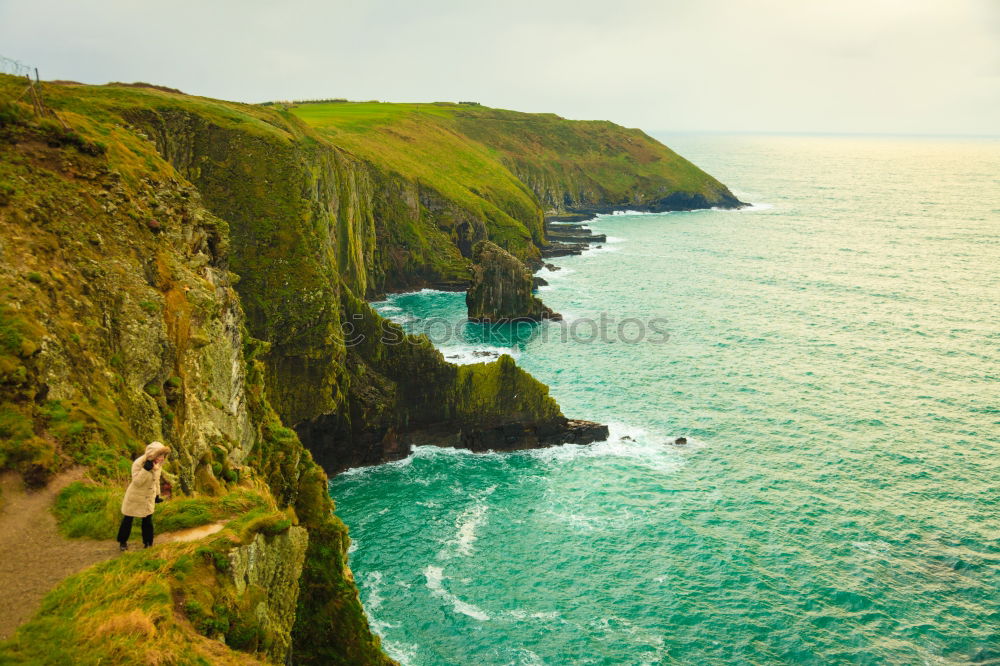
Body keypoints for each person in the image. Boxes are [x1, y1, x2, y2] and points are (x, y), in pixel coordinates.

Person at [117, 441, 170, 551]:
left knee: (147, 520)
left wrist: (157, 495)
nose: (162, 458)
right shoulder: (138, 463)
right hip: (135, 496)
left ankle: (148, 543)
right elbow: (137, 482)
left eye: (163, 455)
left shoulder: (158, 464)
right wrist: (146, 470)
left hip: (148, 496)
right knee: (128, 519)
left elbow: (156, 480)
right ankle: (122, 542)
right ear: (153, 455)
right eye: (160, 455)